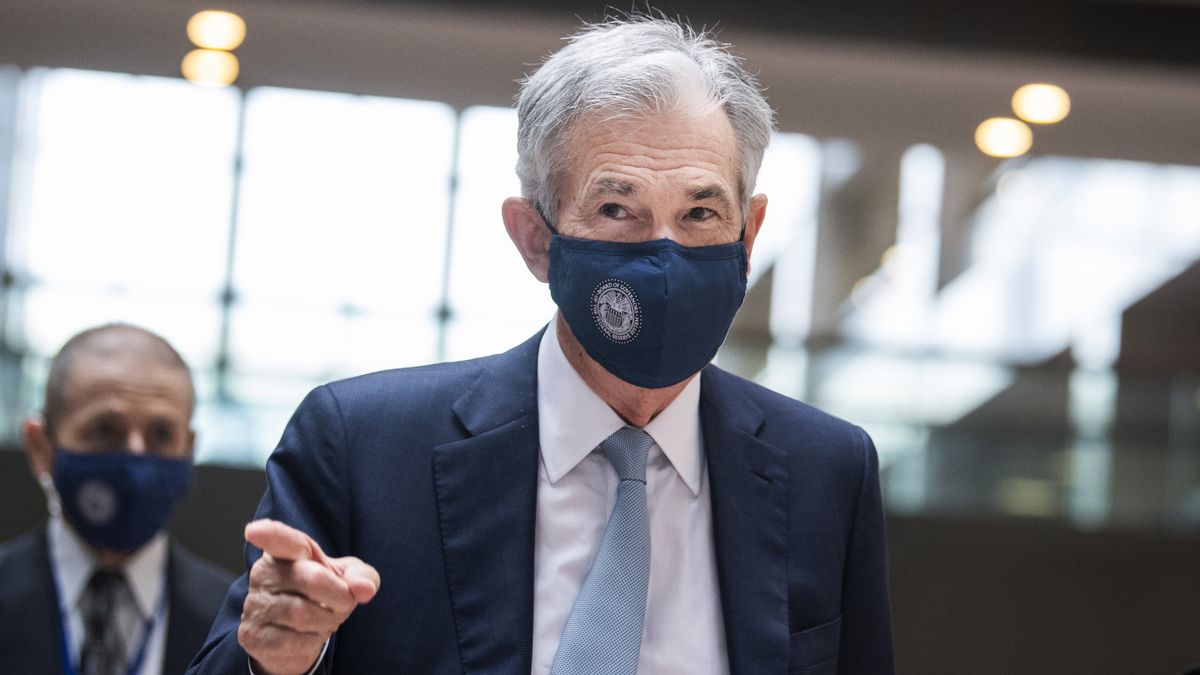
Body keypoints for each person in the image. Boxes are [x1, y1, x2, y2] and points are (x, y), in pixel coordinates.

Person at [189, 15, 894, 675]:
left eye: (700, 211)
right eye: (617, 209)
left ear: (748, 234)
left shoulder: (825, 470)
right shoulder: (366, 446)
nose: (665, 253)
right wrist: (280, 659)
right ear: (535, 238)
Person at [0, 324, 233, 675]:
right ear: (40, 446)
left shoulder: (236, 623)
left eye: (161, 435)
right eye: (105, 430)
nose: (135, 458)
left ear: (189, 448)